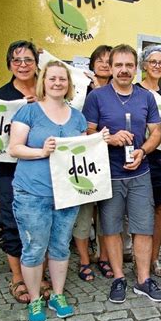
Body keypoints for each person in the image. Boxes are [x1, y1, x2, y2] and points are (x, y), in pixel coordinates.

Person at [82, 44, 161, 304]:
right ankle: (118, 277)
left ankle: (143, 280)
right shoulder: (97, 97)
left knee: (143, 228)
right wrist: (108, 138)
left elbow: (156, 133)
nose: (123, 70)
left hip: (140, 171)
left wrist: (143, 150)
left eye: (129, 65)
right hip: (109, 174)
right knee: (111, 228)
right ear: (111, 66)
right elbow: (87, 133)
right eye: (118, 65)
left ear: (135, 68)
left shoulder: (146, 97)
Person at [9, 60, 88, 321]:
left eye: (62, 79)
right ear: (44, 81)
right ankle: (34, 300)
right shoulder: (28, 112)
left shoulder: (77, 117)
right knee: (34, 247)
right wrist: (41, 151)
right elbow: (15, 148)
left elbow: (84, 149)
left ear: (69, 84)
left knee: (60, 246)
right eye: (52, 78)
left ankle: (57, 294)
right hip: (32, 192)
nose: (57, 83)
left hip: (67, 193)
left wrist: (101, 139)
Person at [0, 40, 49, 304]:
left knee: (43, 222)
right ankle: (17, 277)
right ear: (9, 65)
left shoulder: (48, 91)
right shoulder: (0, 97)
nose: (23, 65)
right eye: (17, 61)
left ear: (37, 64)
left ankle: (41, 273)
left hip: (44, 169)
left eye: (28, 60)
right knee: (12, 222)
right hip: (9, 171)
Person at [74, 44, 114, 281]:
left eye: (109, 60)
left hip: (111, 161)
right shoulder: (81, 88)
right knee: (84, 213)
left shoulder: (119, 91)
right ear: (92, 63)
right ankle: (84, 259)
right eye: (99, 59)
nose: (104, 64)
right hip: (86, 159)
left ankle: (104, 256)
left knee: (107, 214)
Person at [136, 44, 161, 277]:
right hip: (143, 155)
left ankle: (155, 258)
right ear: (144, 65)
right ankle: (140, 258)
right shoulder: (136, 92)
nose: (157, 65)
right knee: (141, 210)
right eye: (153, 62)